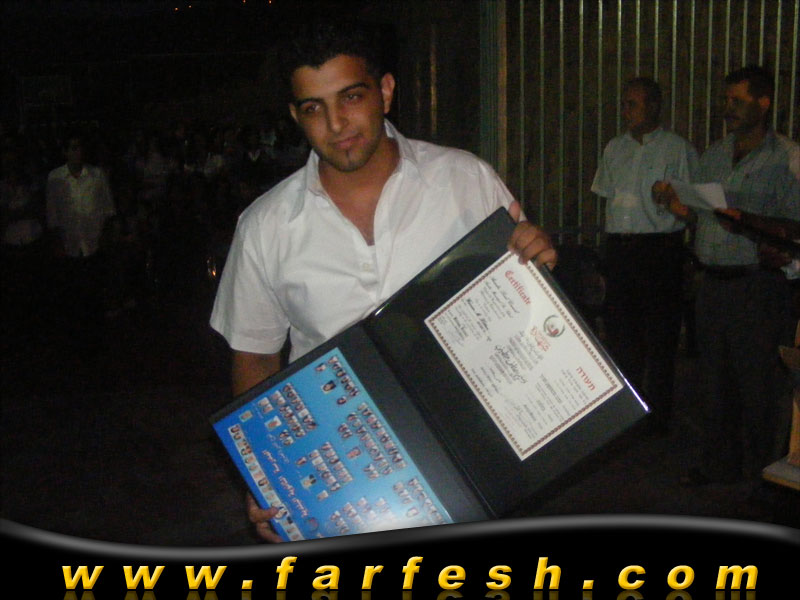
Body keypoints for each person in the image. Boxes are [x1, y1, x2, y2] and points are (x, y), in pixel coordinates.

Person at [209, 19, 556, 542]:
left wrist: (539, 265)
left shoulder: (465, 181)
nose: (336, 124)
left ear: (386, 92)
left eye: (351, 97)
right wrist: (267, 477)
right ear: (296, 117)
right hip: (345, 483)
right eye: (314, 108)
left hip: (477, 453)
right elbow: (255, 356)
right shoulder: (265, 226)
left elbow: (524, 305)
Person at [653, 65, 800, 487]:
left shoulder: (786, 158)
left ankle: (763, 476)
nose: (728, 108)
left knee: (759, 385)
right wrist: (675, 204)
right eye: (726, 100)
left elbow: (793, 225)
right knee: (714, 381)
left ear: (764, 103)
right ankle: (719, 466)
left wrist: (747, 220)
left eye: (738, 100)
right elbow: (698, 216)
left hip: (757, 286)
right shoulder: (714, 155)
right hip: (713, 285)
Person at [591, 77, 699, 433]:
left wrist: (672, 203)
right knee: (622, 335)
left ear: (654, 106)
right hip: (621, 249)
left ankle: (658, 419)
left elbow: (693, 207)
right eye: (623, 104)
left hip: (659, 251)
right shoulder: (614, 148)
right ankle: (628, 416)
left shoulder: (677, 149)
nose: (626, 111)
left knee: (660, 338)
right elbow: (607, 198)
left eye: (632, 104)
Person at [46, 129, 116, 351]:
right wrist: (57, 243)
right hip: (70, 245)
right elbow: (52, 214)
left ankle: (96, 341)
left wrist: (105, 238)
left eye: (80, 147)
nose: (77, 152)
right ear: (65, 151)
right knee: (73, 296)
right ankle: (76, 341)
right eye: (73, 148)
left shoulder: (96, 175)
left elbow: (107, 209)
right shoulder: (55, 178)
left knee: (94, 295)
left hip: (93, 243)